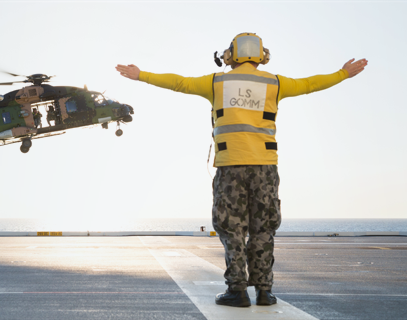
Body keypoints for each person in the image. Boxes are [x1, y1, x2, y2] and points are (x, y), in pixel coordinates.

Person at [116, 32, 367, 308]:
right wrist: (342, 74)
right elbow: (310, 84)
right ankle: (264, 291)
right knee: (263, 229)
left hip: (230, 166)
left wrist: (142, 75)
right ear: (263, 56)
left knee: (231, 228)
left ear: (230, 56)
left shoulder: (217, 82)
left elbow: (179, 83)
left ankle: (237, 291)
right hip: (266, 168)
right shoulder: (275, 83)